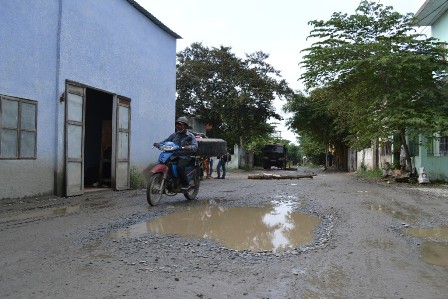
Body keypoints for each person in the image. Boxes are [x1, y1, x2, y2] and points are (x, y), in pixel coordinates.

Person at [153, 116, 198, 190]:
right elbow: (166, 141)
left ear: (185, 126)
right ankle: (168, 182)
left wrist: (188, 147)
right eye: (177, 124)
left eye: (180, 124)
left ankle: (185, 184)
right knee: (164, 163)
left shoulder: (190, 136)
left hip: (184, 156)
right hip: (173, 155)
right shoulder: (174, 135)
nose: (178, 126)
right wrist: (158, 144)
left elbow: (195, 147)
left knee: (180, 167)